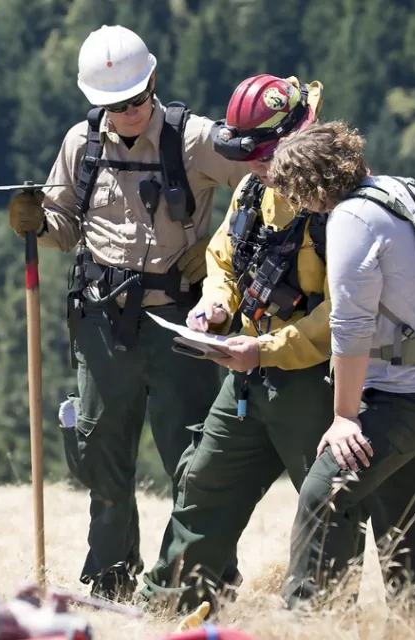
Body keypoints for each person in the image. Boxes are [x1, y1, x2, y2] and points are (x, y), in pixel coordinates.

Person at [7, 24, 248, 601]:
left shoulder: (195, 140)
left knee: (192, 460)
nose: (130, 112)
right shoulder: (80, 144)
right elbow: (66, 223)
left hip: (180, 324)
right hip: (100, 325)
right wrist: (37, 222)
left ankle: (197, 578)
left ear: (153, 83)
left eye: (138, 99)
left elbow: (260, 190)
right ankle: (111, 579)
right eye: (115, 104)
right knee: (100, 458)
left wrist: (219, 250)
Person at [138, 73, 340, 613]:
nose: (253, 165)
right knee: (204, 479)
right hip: (248, 373)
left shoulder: (338, 205)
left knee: (327, 504)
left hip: (315, 383)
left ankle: (320, 619)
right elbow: (225, 256)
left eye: (264, 154)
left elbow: (343, 317)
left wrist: (265, 351)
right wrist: (216, 302)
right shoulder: (254, 188)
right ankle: (171, 604)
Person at [267, 120, 415, 623]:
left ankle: (310, 624)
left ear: (310, 184)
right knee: (409, 518)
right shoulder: (396, 191)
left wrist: (344, 417)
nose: (295, 203)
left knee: (324, 492)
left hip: (397, 394)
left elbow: (349, 328)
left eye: (294, 190)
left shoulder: (352, 219)